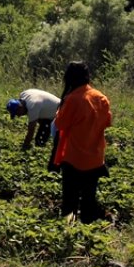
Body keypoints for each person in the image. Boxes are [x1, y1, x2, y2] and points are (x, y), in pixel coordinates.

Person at [51, 61, 112, 223]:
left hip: (74, 158)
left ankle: (68, 234)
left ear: (69, 78)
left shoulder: (72, 99)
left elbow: (59, 124)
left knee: (70, 201)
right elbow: (107, 122)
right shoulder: (101, 98)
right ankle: (88, 233)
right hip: (96, 158)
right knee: (88, 199)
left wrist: (60, 110)